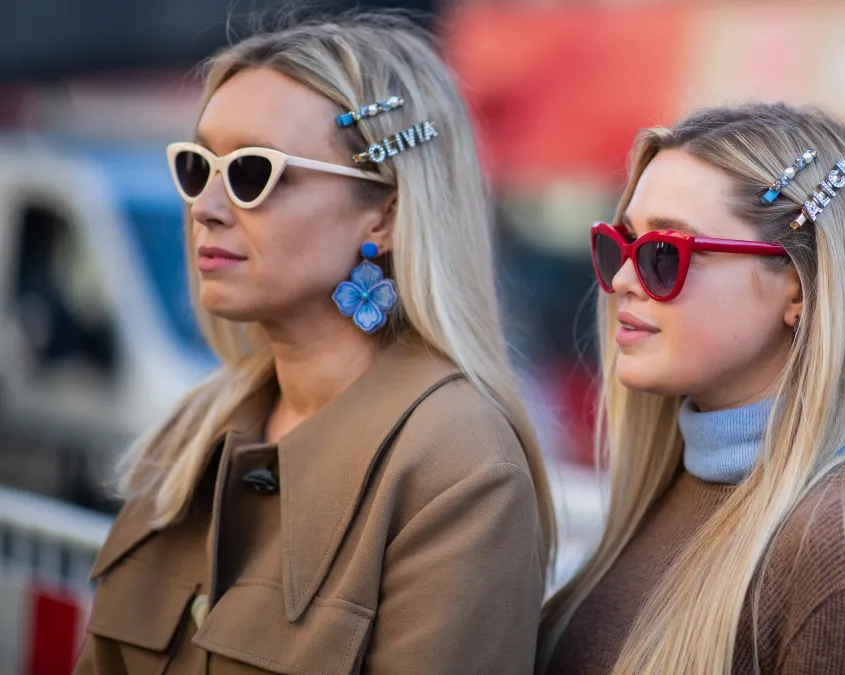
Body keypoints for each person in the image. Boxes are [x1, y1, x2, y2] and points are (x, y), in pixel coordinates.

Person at [75, 13, 553, 675]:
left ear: (383, 214)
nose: (205, 206)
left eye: (250, 173)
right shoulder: (195, 429)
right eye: (196, 166)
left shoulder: (461, 469)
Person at [540, 104, 845, 674]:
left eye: (665, 252)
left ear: (798, 286)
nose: (621, 280)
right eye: (620, 245)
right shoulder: (668, 493)